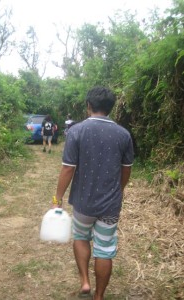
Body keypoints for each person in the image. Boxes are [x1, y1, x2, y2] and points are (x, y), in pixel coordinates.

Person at [52, 87, 134, 300]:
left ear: (88, 106)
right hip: (110, 205)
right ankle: (99, 296)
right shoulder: (124, 134)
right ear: (110, 108)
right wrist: (119, 191)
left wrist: (57, 198)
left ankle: (85, 283)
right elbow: (126, 170)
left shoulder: (76, 131)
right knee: (105, 249)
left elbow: (68, 168)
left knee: (80, 237)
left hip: (83, 203)